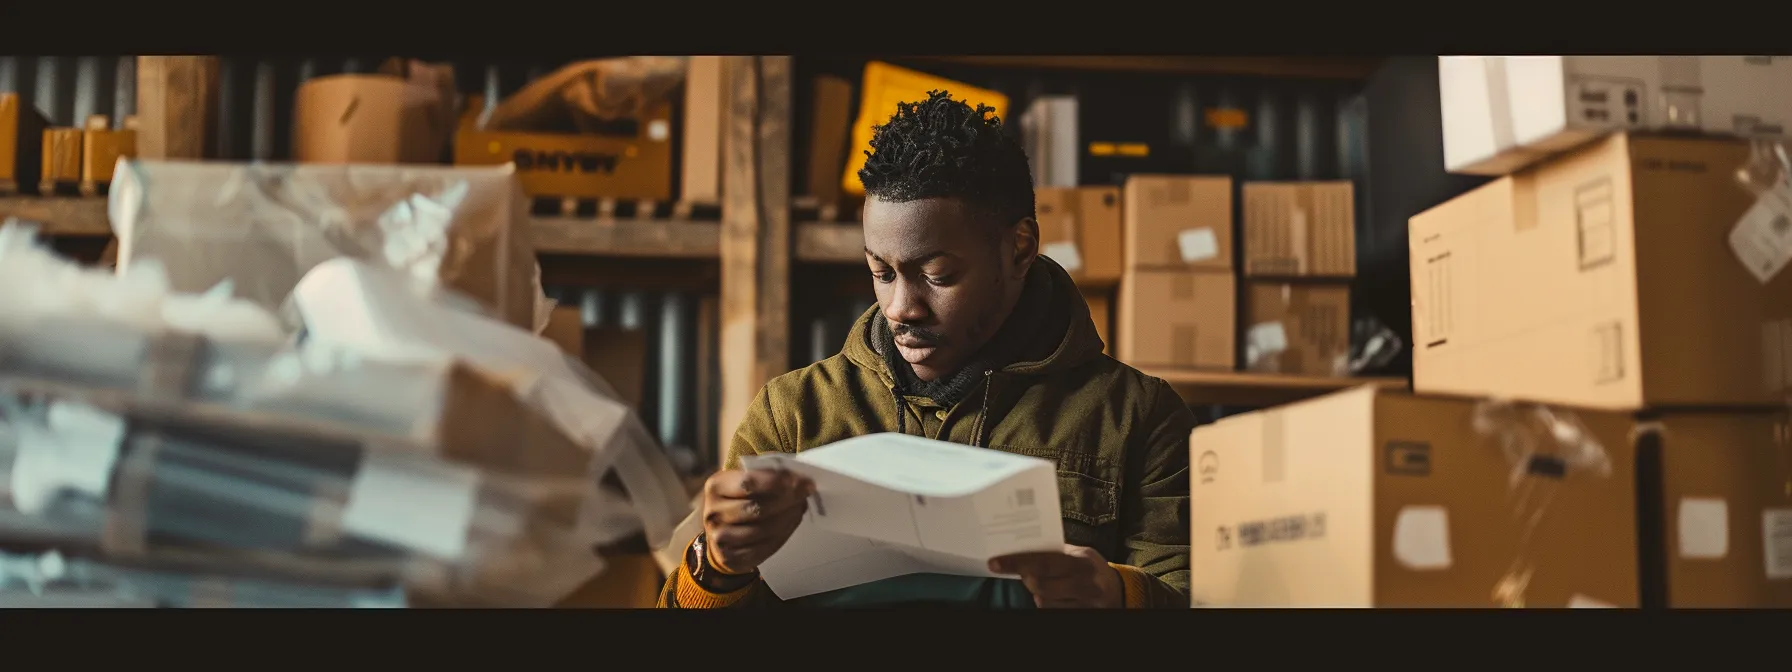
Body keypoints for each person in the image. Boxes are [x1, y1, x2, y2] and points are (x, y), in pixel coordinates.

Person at [657, 90, 1193, 609]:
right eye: (881, 273)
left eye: (937, 275)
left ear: (1019, 249)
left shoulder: (1137, 417)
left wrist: (1116, 594)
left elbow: (1193, 597)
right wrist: (718, 568)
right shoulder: (793, 413)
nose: (900, 307)